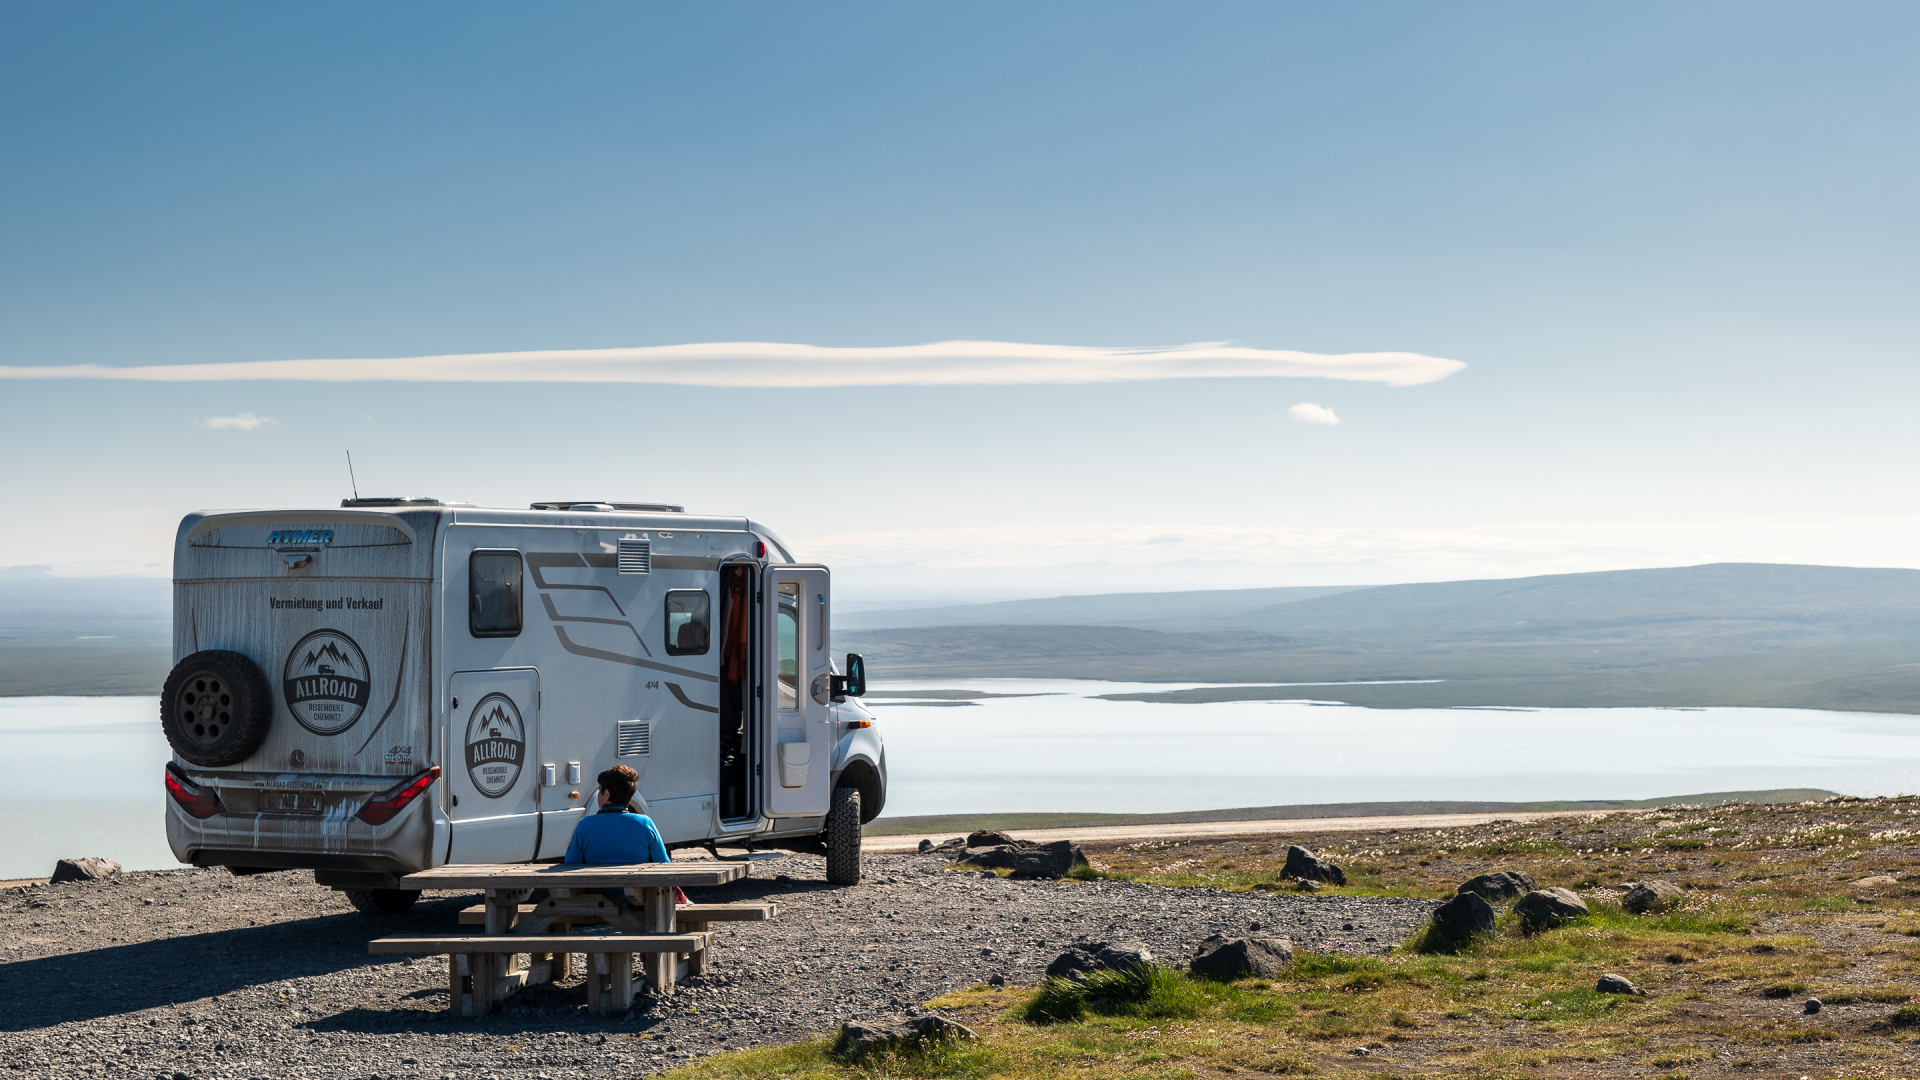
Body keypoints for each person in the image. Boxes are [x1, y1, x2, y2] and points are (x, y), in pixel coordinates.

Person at [564, 766, 669, 905]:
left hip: (598, 901)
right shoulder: (645, 823)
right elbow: (663, 863)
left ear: (606, 794)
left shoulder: (585, 825)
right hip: (640, 901)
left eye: (599, 792)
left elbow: (570, 864)